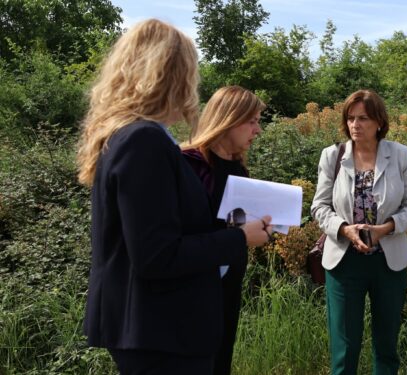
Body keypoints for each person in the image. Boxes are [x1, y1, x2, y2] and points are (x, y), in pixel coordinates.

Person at [76, 19, 272, 374]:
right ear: (174, 75)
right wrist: (239, 237)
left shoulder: (133, 136)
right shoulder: (144, 141)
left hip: (158, 329)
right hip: (161, 332)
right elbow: (156, 255)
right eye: (191, 70)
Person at [311, 89, 407, 374]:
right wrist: (344, 229)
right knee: (344, 348)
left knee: (386, 344)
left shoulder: (399, 154)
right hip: (344, 262)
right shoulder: (332, 155)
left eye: (363, 118)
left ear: (379, 122)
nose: (355, 125)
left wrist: (386, 228)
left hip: (389, 262)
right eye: (350, 118)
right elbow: (319, 208)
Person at [181, 85, 266, 375]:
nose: (258, 130)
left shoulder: (238, 168)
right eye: (252, 121)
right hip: (190, 293)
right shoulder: (190, 166)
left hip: (227, 288)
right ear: (229, 119)